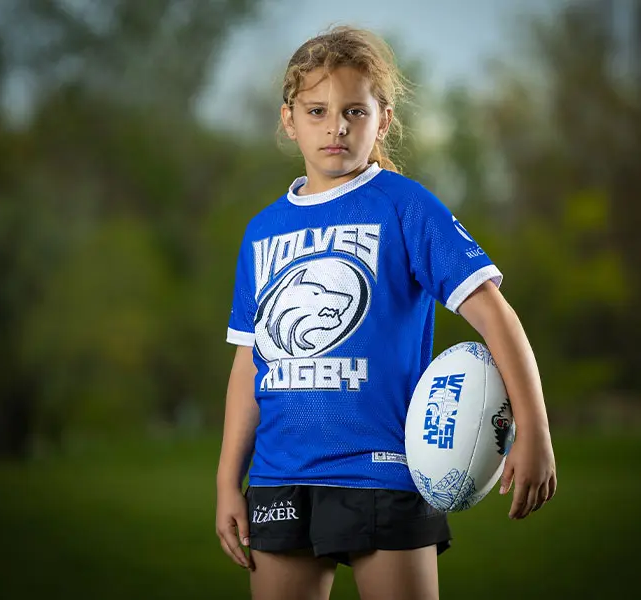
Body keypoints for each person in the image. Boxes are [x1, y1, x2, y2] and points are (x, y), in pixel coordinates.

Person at [216, 25, 557, 600]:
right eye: (317, 110)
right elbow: (251, 361)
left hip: (384, 472)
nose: (336, 126)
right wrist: (230, 481)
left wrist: (536, 431)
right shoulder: (262, 231)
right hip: (280, 476)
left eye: (354, 110)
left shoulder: (404, 207)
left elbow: (496, 315)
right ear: (288, 119)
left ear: (384, 120)